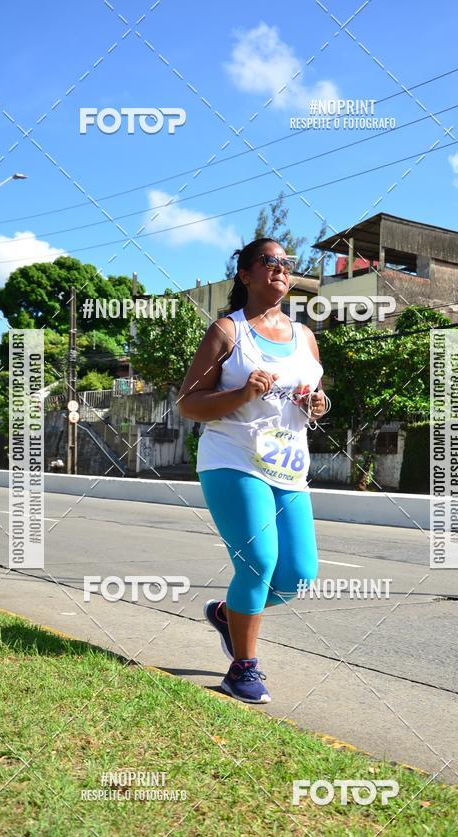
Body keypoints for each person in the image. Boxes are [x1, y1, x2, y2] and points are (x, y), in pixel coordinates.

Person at [177, 238, 330, 704]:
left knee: (297, 576)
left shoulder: (305, 337)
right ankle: (242, 668)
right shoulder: (228, 332)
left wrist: (318, 403)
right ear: (245, 274)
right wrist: (242, 394)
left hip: (287, 467)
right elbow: (188, 404)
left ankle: (228, 615)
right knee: (258, 563)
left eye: (287, 263)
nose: (281, 269)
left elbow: (313, 397)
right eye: (269, 261)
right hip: (233, 461)